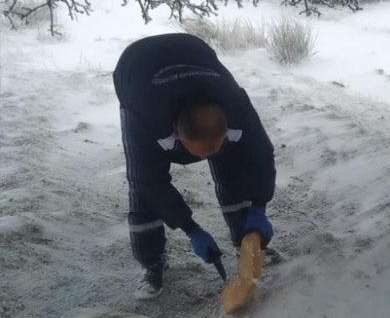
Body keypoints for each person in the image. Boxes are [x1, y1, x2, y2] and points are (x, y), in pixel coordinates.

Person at [113, 32, 276, 298]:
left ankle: (246, 242)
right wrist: (191, 229)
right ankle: (152, 264)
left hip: (194, 53)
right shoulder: (145, 118)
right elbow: (150, 182)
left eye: (213, 149)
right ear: (175, 135)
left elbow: (261, 155)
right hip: (136, 68)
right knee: (141, 187)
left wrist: (259, 206)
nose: (203, 159)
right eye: (198, 153)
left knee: (232, 164)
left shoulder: (237, 104)